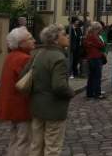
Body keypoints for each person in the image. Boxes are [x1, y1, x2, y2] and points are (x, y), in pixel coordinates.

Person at [27, 24, 75, 156]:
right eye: (64, 35)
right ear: (55, 39)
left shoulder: (38, 53)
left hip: (37, 106)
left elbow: (23, 76)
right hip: (54, 108)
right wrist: (71, 93)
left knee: (36, 145)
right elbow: (59, 86)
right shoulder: (58, 57)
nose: (67, 37)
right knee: (52, 146)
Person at [0, 27, 35, 156]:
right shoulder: (24, 58)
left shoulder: (11, 56)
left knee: (14, 138)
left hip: (12, 104)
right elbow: (29, 84)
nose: (34, 40)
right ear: (21, 43)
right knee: (24, 140)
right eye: (30, 38)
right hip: (21, 105)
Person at [83, 22, 106, 99]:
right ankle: (97, 93)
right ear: (96, 29)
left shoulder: (88, 36)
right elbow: (101, 45)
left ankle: (89, 93)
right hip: (96, 58)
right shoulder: (94, 36)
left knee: (91, 76)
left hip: (90, 58)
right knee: (97, 76)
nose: (100, 31)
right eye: (99, 29)